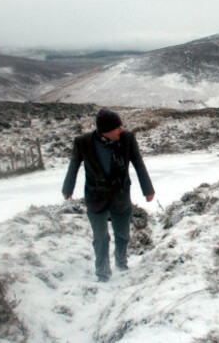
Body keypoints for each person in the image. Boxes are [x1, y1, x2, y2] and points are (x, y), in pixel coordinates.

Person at [62, 109, 155, 282]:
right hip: (95, 197)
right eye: (117, 128)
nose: (121, 130)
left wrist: (148, 190)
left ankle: (121, 263)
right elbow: (74, 165)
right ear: (105, 130)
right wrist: (68, 189)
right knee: (100, 238)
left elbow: (138, 163)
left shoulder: (127, 139)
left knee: (123, 235)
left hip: (121, 195)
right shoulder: (83, 142)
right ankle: (103, 273)